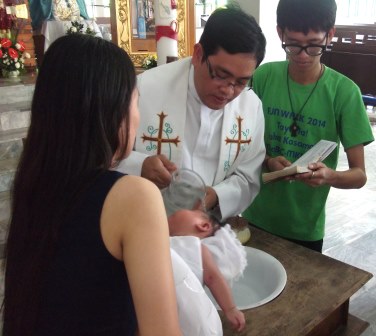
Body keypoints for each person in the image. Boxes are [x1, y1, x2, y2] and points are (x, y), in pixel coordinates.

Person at [2, 34, 182, 336]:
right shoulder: (134, 197)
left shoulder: (33, 184)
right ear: (113, 111)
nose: (137, 116)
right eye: (136, 102)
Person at [242, 0, 374, 252]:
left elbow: (359, 175)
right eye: (292, 44)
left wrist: (330, 176)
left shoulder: (344, 93)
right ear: (280, 32)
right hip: (254, 216)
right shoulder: (262, 77)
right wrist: (269, 161)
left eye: (313, 45)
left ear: (329, 35)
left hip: (304, 228)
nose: (302, 55)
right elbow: (242, 146)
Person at [117, 5, 267, 221]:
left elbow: (248, 176)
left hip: (209, 225)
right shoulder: (143, 90)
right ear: (198, 54)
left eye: (241, 82)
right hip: (145, 222)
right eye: (220, 74)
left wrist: (216, 196)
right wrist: (140, 165)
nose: (228, 90)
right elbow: (105, 154)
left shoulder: (251, 107)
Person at [168, 209, 246, 333]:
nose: (171, 213)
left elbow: (213, 278)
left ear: (203, 226)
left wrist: (231, 309)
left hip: (186, 313)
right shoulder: (164, 241)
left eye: (190, 210)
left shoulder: (196, 248)